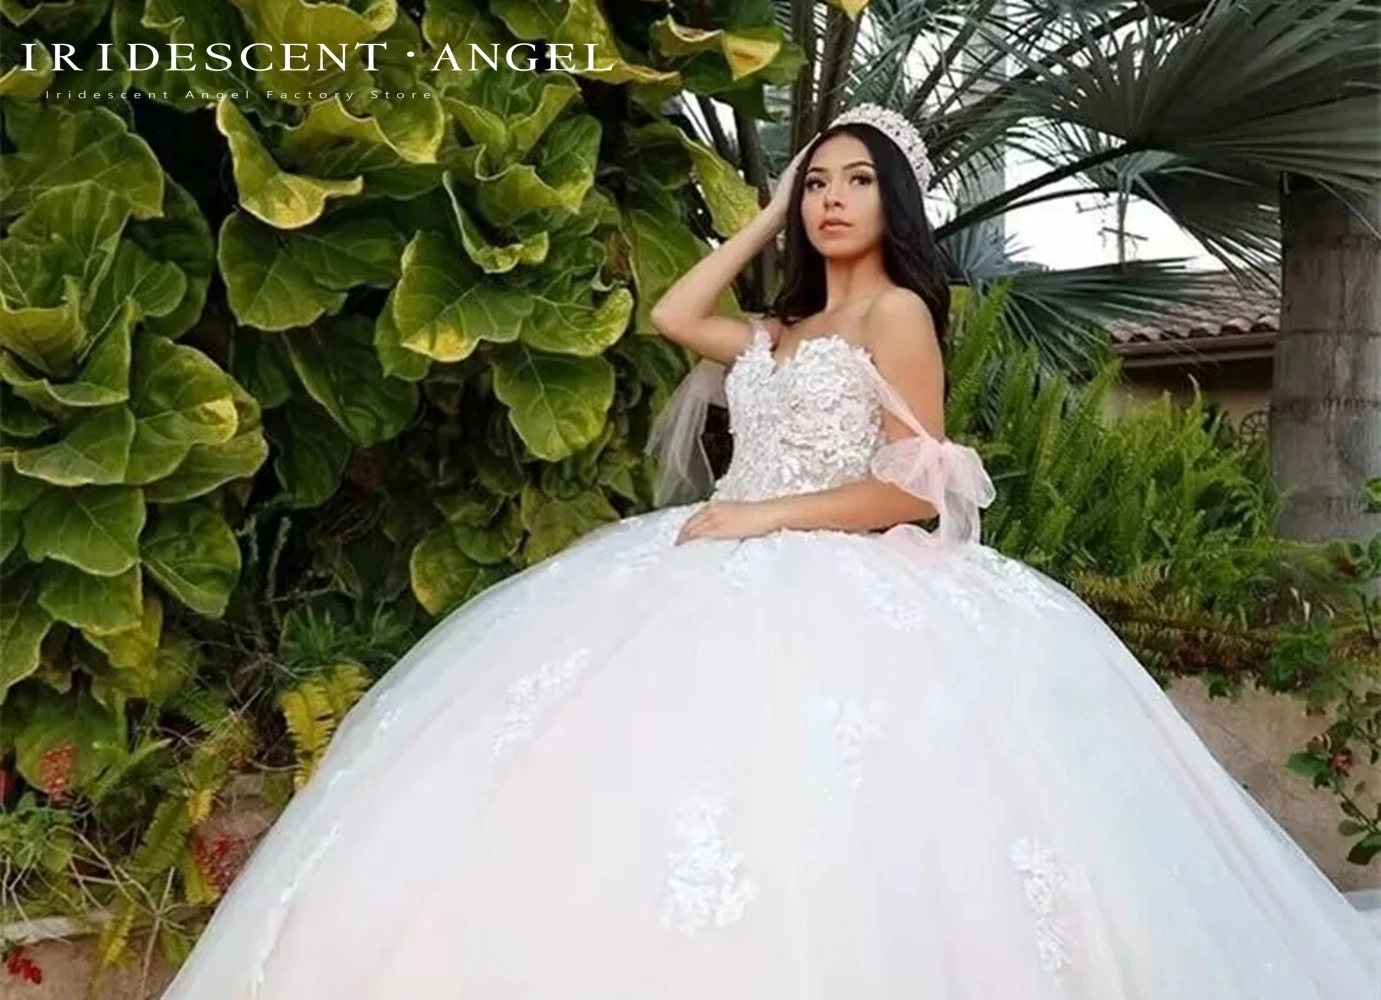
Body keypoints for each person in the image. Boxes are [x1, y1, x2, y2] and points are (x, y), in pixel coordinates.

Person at [162, 104, 1379, 999]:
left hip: (813, 560)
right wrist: (762, 209)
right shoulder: (782, 323)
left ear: (893, 205)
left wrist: (758, 516)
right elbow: (671, 315)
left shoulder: (896, 314)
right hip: (703, 561)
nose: (833, 199)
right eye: (818, 182)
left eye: (856, 181)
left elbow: (915, 491)